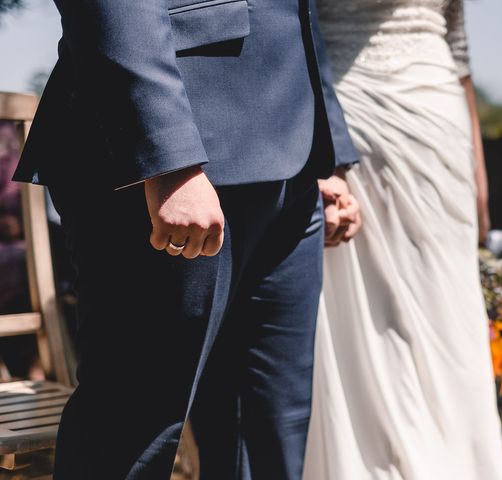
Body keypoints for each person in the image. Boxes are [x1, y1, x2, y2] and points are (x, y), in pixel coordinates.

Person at [12, 0, 360, 477]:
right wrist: (168, 158)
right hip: (175, 149)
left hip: (293, 155)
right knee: (133, 430)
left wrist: (328, 151)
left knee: (272, 427)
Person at [304, 0, 502, 478]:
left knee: (441, 310)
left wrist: (477, 178)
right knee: (359, 314)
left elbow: (457, 44)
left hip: (433, 125)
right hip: (353, 121)